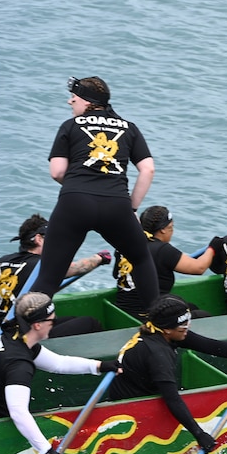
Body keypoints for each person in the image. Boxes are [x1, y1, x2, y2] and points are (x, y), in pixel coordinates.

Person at [30, 76, 159, 314]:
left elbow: (57, 171)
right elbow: (148, 169)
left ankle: (19, 332)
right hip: (117, 206)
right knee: (140, 259)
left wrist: (78, 185)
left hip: (75, 202)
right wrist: (131, 207)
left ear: (87, 103)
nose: (70, 102)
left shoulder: (71, 126)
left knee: (48, 277)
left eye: (74, 98)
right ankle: (160, 321)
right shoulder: (129, 128)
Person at [110, 295, 227, 453]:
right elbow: (172, 398)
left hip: (139, 392)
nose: (188, 328)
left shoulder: (160, 331)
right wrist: (199, 434)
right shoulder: (158, 354)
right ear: (167, 329)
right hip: (132, 411)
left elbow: (209, 345)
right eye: (184, 326)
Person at [0, 292, 118, 454]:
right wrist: (46, 451)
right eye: (52, 321)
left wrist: (100, 366)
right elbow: (18, 413)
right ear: (38, 325)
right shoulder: (19, 364)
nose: (54, 325)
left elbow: (58, 363)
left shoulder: (14, 337)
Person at [0, 214, 108, 335]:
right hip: (25, 335)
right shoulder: (42, 265)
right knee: (90, 323)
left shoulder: (1, 262)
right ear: (38, 239)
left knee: (72, 320)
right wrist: (100, 258)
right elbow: (79, 267)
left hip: (1, 330)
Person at [113, 206, 216, 317]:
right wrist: (212, 248)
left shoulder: (125, 245)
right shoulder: (163, 250)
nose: (172, 232)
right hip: (148, 316)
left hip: (123, 311)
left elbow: (116, 274)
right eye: (171, 228)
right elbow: (199, 268)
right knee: (203, 315)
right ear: (162, 229)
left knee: (190, 307)